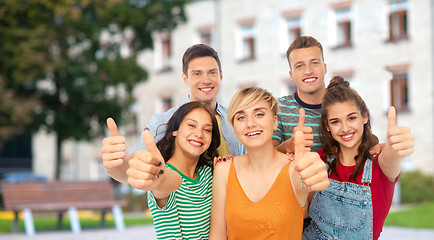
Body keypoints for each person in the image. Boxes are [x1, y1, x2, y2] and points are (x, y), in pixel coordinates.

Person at [101, 44, 245, 183]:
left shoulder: (237, 119)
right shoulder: (163, 121)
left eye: (212, 72)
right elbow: (135, 166)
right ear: (185, 79)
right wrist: (116, 166)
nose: (206, 80)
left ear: (220, 76)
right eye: (197, 74)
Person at [209, 87, 330, 240]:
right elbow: (217, 236)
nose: (250, 123)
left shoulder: (295, 168)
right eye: (241, 117)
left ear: (274, 122)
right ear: (234, 128)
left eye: (259, 114)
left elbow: (307, 180)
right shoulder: (224, 170)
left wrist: (316, 172)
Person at [303, 76, 414, 240]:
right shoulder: (320, 160)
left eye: (351, 118)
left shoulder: (380, 164)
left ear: (365, 117)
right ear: (327, 126)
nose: (345, 128)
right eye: (335, 122)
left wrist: (397, 147)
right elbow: (302, 213)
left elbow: (393, 156)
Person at [126, 101, 220, 239]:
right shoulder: (164, 173)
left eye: (207, 130)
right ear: (174, 130)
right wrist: (158, 176)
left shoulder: (209, 173)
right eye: (191, 125)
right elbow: (162, 185)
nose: (199, 134)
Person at [273, 36, 327, 154]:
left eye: (314, 62)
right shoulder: (278, 109)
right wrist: (288, 146)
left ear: (325, 68)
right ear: (291, 74)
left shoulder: (344, 103)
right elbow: (266, 158)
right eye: (300, 66)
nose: (308, 71)